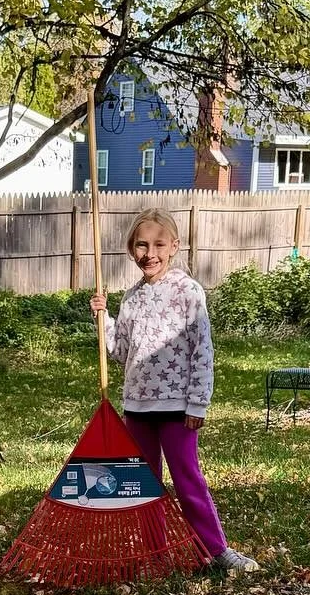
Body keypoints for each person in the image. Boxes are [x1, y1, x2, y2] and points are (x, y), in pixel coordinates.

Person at [90, 207, 252, 574]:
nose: (150, 253)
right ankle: (155, 553)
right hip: (138, 407)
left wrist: (198, 403)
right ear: (131, 249)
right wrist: (103, 319)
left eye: (159, 245)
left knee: (187, 478)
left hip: (178, 407)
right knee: (146, 484)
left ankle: (215, 551)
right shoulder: (130, 298)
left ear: (174, 246)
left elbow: (202, 351)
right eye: (141, 245)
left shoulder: (187, 291)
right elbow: (120, 351)